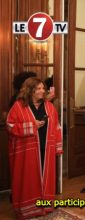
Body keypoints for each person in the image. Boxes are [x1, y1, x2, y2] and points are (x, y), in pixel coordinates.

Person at [6, 77, 62, 219]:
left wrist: (57, 146)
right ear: (30, 90)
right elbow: (10, 125)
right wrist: (32, 126)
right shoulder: (19, 106)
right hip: (27, 152)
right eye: (38, 88)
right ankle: (28, 209)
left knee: (45, 178)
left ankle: (45, 205)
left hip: (46, 148)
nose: (42, 91)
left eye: (43, 88)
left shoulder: (49, 106)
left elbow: (57, 126)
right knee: (29, 180)